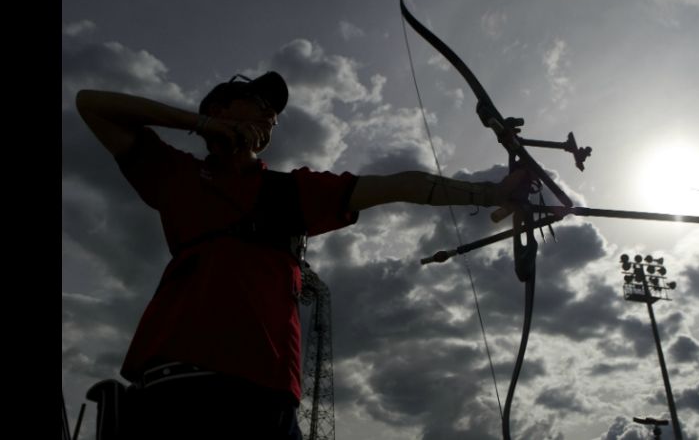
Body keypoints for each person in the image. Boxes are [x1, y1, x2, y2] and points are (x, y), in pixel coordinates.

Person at [75, 71, 526, 439]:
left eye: (274, 114)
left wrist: (491, 192)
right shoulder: (179, 175)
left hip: (271, 401)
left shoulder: (290, 192)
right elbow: (91, 103)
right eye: (257, 102)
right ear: (219, 109)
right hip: (183, 387)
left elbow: (401, 185)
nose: (270, 116)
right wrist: (202, 125)